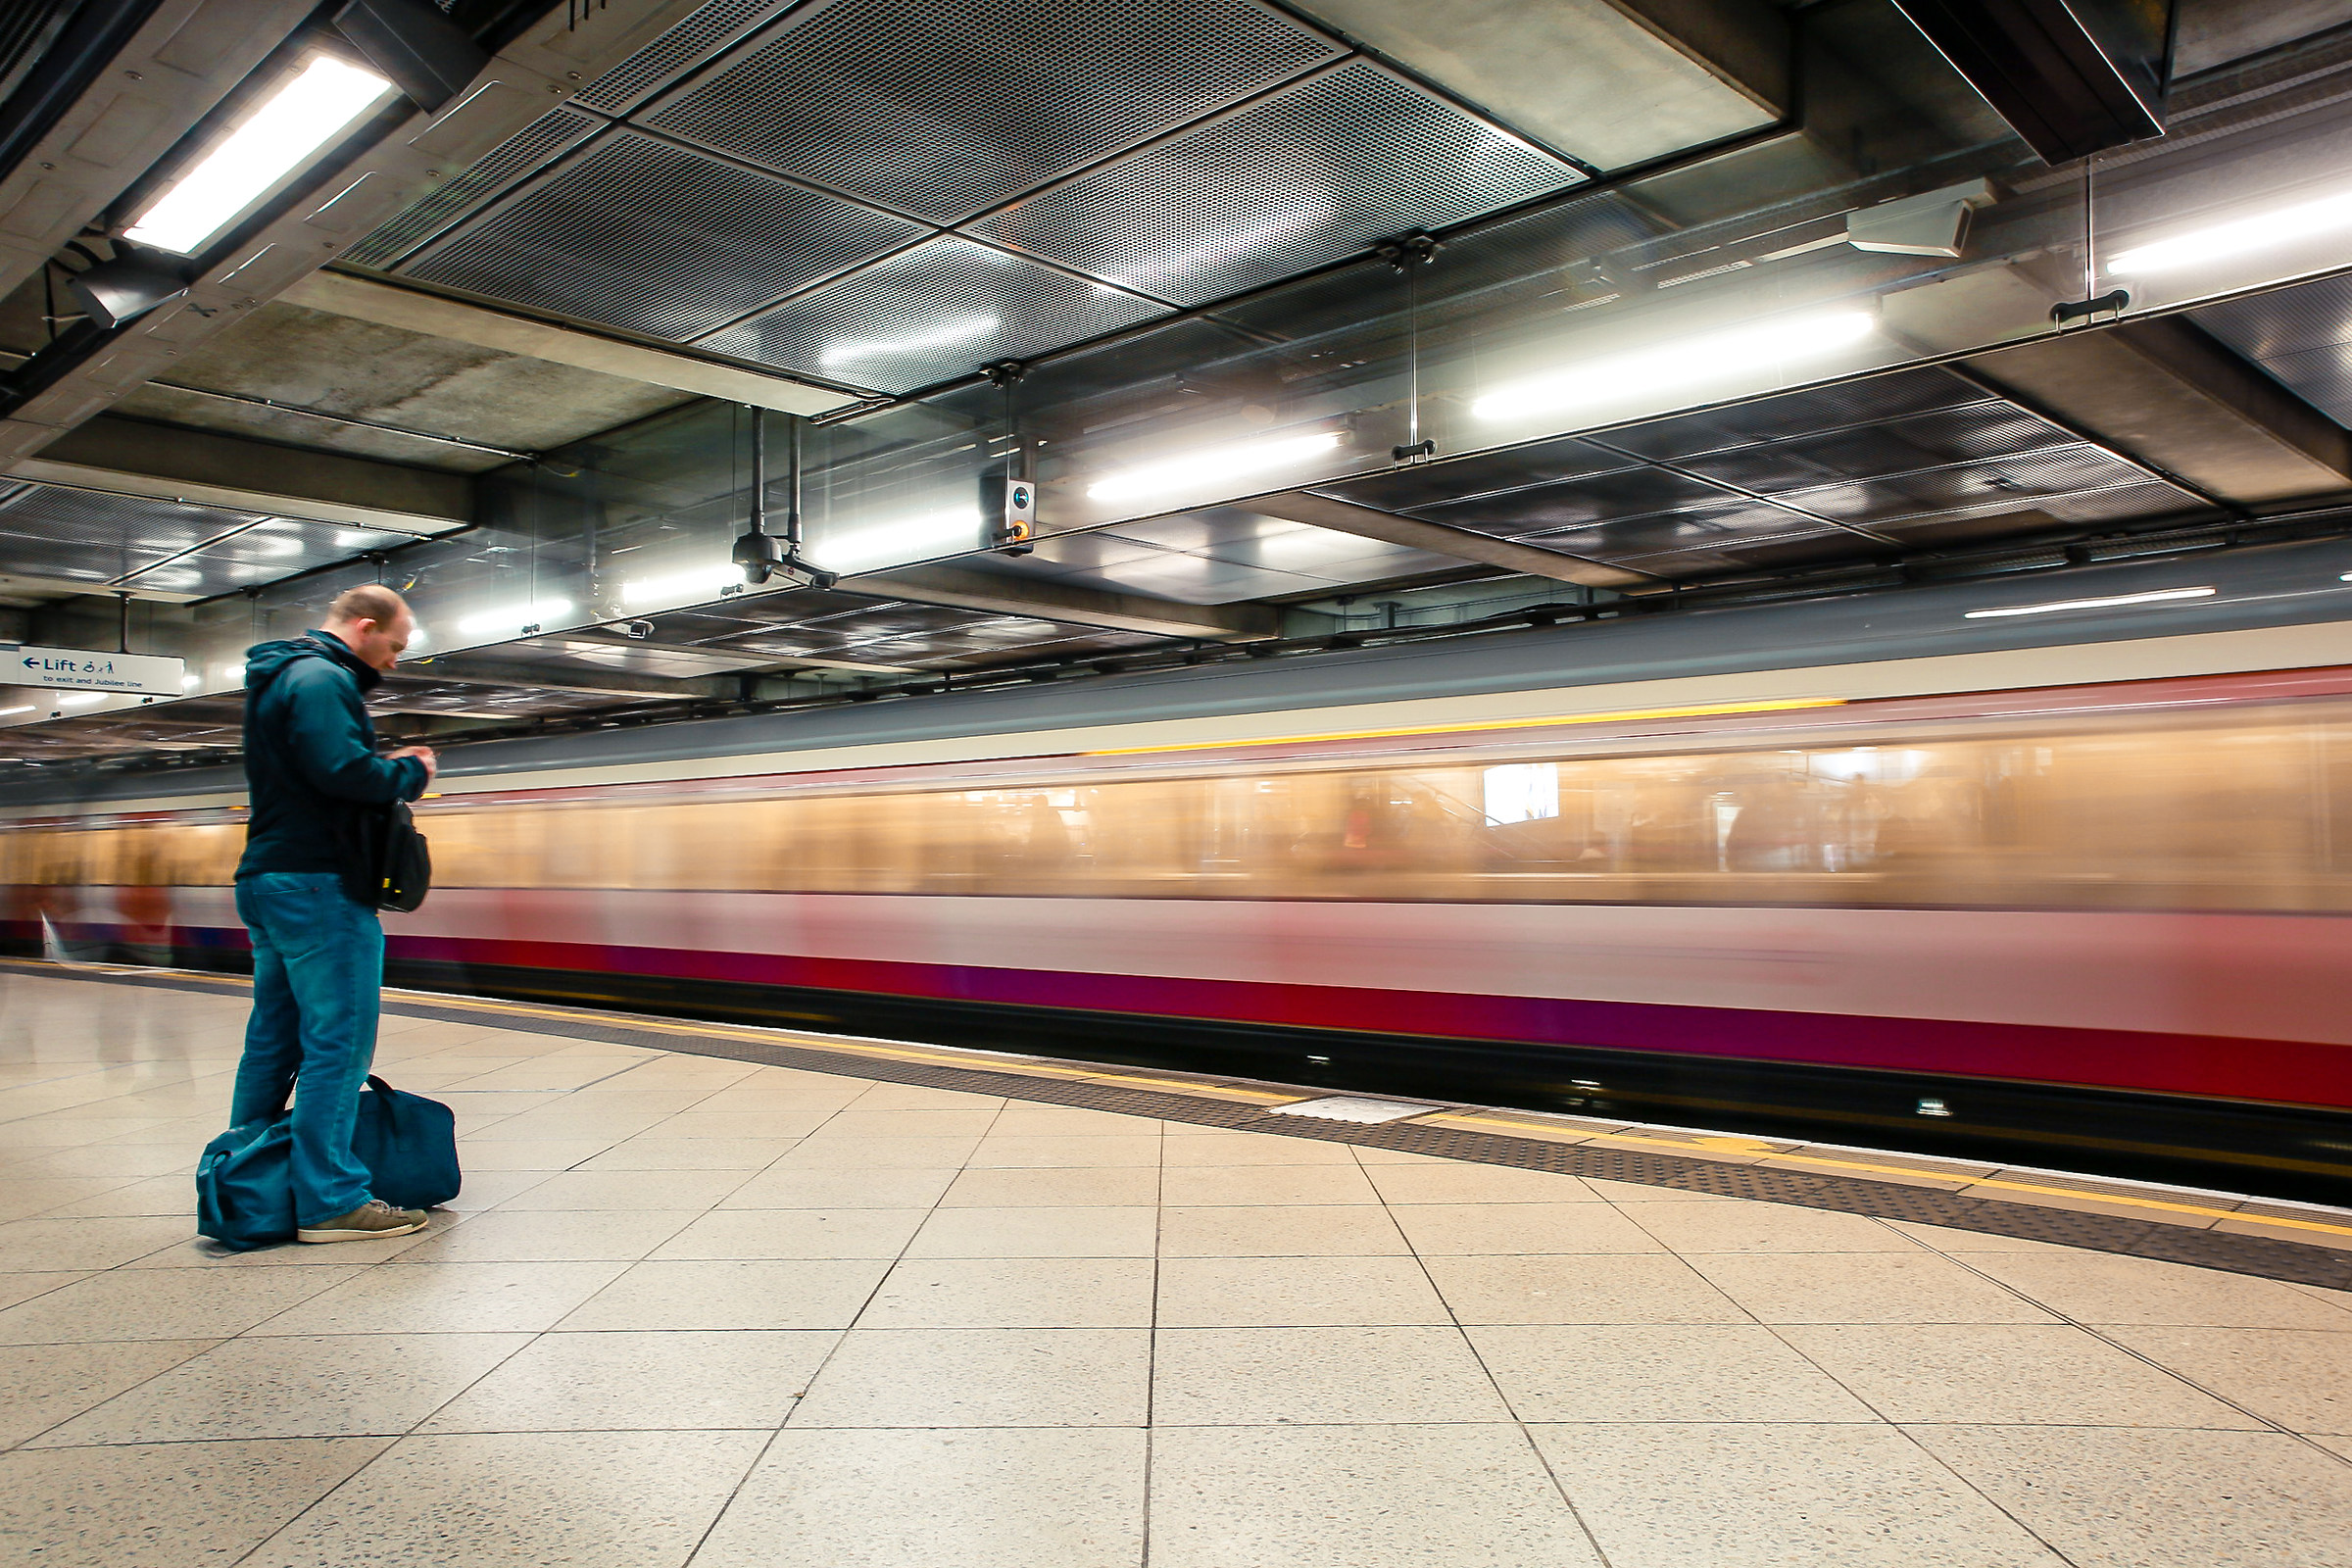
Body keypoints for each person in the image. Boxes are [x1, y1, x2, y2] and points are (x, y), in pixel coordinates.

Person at [226, 585, 438, 1243]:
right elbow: (342, 772)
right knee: (338, 1043)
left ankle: (246, 1178)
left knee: (273, 1040)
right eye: (395, 645)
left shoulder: (280, 676)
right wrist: (410, 773)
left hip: (272, 877)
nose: (396, 660)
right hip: (318, 883)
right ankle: (330, 1200)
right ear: (365, 626)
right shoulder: (321, 678)